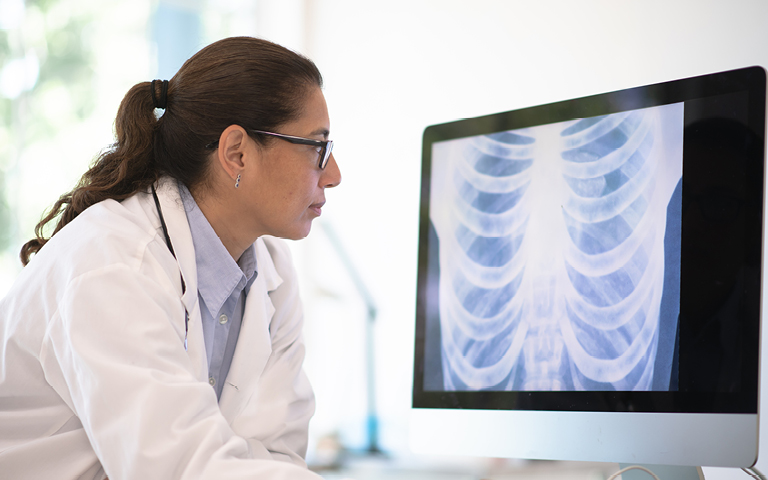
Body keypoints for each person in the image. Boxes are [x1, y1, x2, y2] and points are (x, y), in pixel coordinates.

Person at [0, 36, 341, 479]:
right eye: (319, 148)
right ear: (236, 152)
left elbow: (275, 455)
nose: (333, 175)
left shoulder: (271, 273)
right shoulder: (112, 264)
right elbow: (179, 468)